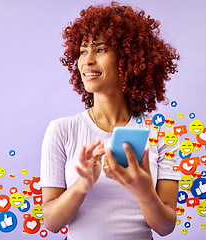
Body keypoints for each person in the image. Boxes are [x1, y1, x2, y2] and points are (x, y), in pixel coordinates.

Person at [40, 2, 180, 239]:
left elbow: (165, 227)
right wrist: (81, 186)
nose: (87, 60)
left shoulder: (161, 132)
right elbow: (52, 223)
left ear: (129, 59)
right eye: (83, 51)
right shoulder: (61, 130)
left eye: (100, 49)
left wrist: (144, 191)